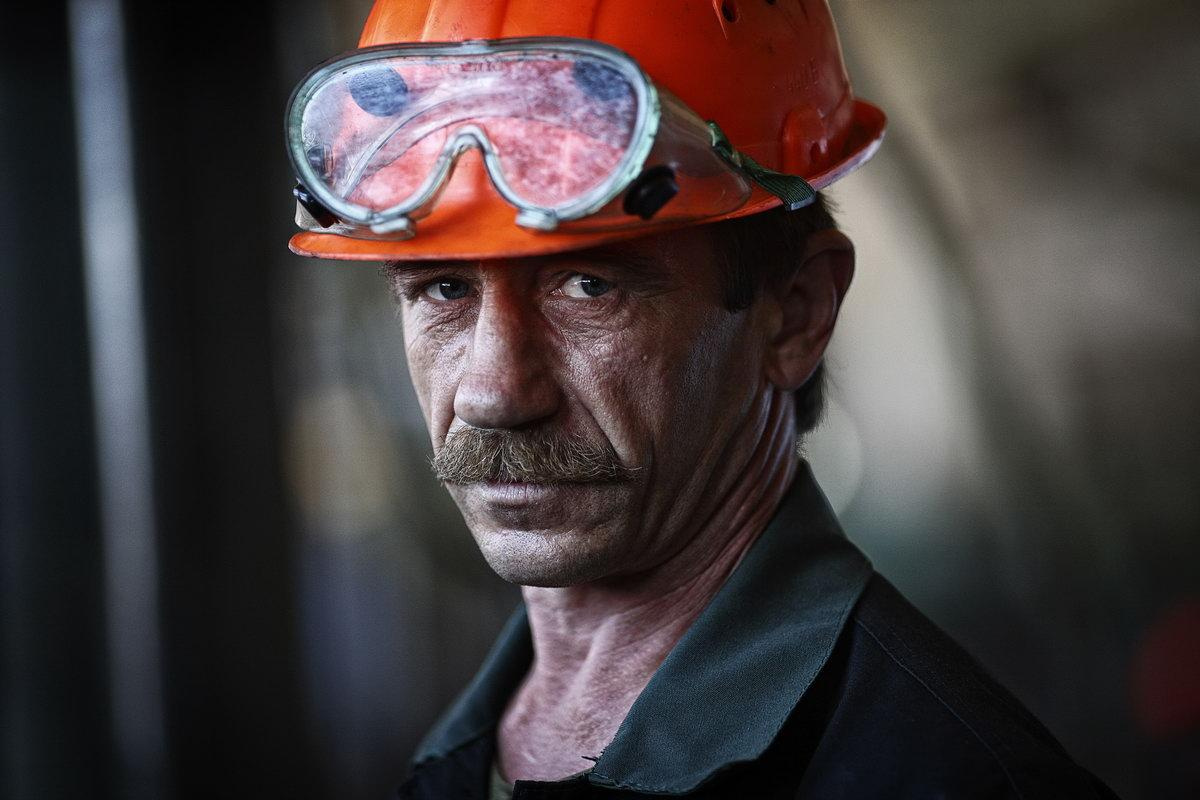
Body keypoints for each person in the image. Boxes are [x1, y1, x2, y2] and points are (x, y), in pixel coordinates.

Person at [284, 1, 1119, 797]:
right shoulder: (459, 759)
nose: (495, 393)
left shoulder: (949, 778)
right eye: (440, 291)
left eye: (587, 285)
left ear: (794, 314)